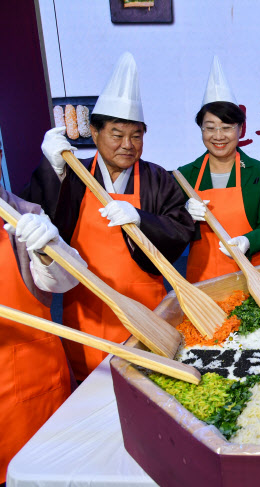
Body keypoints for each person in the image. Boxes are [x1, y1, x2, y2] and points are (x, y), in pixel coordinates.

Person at [28, 52, 194, 379]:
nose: (127, 145)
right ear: (94, 130)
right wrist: (52, 170)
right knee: (93, 394)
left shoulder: (158, 178)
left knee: (147, 388)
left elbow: (180, 230)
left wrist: (140, 219)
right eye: (117, 134)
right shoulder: (73, 175)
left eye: (136, 135)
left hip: (147, 311)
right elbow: (37, 217)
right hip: (86, 311)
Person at [0, 184, 84, 482]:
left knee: (47, 471)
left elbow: (66, 281)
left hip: (32, 383)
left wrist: (50, 250)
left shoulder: (26, 214)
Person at [177, 56, 260, 282]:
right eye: (210, 128)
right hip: (203, 276)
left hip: (253, 271)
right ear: (201, 130)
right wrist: (183, 216)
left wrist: (248, 241)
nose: (218, 136)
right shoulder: (185, 175)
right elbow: (171, 232)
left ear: (240, 130)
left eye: (226, 128)